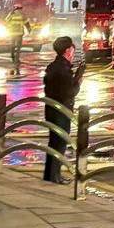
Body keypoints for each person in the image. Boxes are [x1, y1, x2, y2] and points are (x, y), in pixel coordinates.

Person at [40, 37, 80, 184]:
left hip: (51, 109)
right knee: (60, 143)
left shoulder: (53, 66)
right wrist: (78, 80)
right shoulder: (63, 69)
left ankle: (50, 174)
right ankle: (55, 176)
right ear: (68, 50)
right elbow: (69, 92)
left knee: (53, 142)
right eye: (72, 50)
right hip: (61, 111)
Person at [5, 6, 29, 71]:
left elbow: (6, 20)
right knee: (18, 47)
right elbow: (26, 23)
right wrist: (29, 29)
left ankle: (12, 55)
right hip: (19, 33)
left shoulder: (11, 13)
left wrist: (8, 27)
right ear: (20, 8)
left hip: (12, 33)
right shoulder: (22, 14)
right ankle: (17, 59)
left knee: (12, 45)